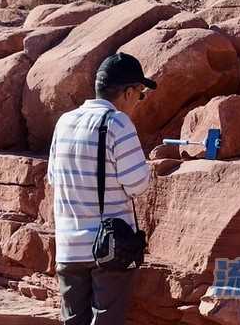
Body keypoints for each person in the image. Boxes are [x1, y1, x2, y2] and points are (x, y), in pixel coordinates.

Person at [48, 52, 154, 325]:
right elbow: (138, 184)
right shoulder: (118, 122)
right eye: (140, 94)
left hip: (69, 248)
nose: (138, 101)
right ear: (129, 92)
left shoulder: (64, 122)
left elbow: (52, 178)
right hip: (109, 250)